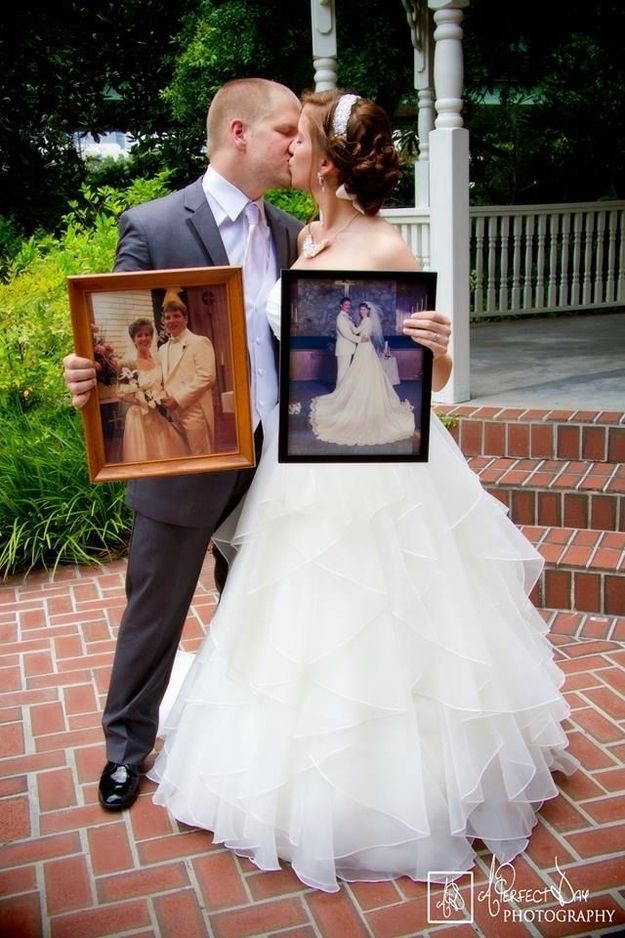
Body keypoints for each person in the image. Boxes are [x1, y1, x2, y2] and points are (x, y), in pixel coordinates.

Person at [148, 90, 577, 891]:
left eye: (301, 142)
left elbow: (430, 376)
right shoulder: (302, 236)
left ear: (331, 164)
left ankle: (394, 789)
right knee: (298, 614)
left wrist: (440, 349)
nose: (290, 154)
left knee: (385, 609)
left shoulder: (384, 249)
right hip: (300, 461)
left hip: (378, 468)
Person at [62, 78, 303, 811]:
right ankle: (125, 750)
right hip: (184, 456)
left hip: (273, 459)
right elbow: (113, 331)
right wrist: (87, 370)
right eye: (286, 131)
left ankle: (242, 736)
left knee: (254, 602)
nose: (298, 144)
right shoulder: (156, 223)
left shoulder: (293, 232)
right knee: (154, 609)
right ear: (238, 131)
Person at [310, 299, 415, 445]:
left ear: (368, 311)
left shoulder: (366, 321)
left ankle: (348, 397)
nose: (361, 311)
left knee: (356, 373)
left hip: (362, 348)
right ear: (341, 306)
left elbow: (359, 332)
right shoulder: (342, 318)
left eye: (364, 310)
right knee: (348, 374)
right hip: (356, 348)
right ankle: (342, 397)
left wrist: (360, 336)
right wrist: (360, 338)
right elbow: (351, 333)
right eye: (360, 310)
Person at [117, 317, 189, 462]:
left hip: (156, 413)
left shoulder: (158, 360)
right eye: (139, 335)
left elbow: (162, 385)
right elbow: (120, 393)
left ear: (151, 336)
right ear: (133, 339)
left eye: (147, 334)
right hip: (139, 417)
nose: (144, 338)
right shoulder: (127, 363)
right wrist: (142, 399)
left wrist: (159, 399)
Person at [157, 291, 216, 455]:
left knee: (201, 455)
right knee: (182, 454)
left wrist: (178, 399)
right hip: (172, 413)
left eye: (176, 316)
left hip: (194, 410)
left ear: (186, 319)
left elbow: (207, 378)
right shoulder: (162, 349)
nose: (171, 321)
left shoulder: (199, 342)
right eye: (167, 318)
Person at [333, 296, 360, 385]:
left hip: (349, 349)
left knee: (347, 374)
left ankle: (344, 394)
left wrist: (365, 327)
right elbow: (346, 334)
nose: (348, 306)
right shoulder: (340, 318)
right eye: (346, 304)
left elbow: (355, 330)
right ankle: (339, 394)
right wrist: (360, 339)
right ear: (341, 306)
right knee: (342, 373)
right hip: (344, 349)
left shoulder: (347, 317)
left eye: (349, 304)